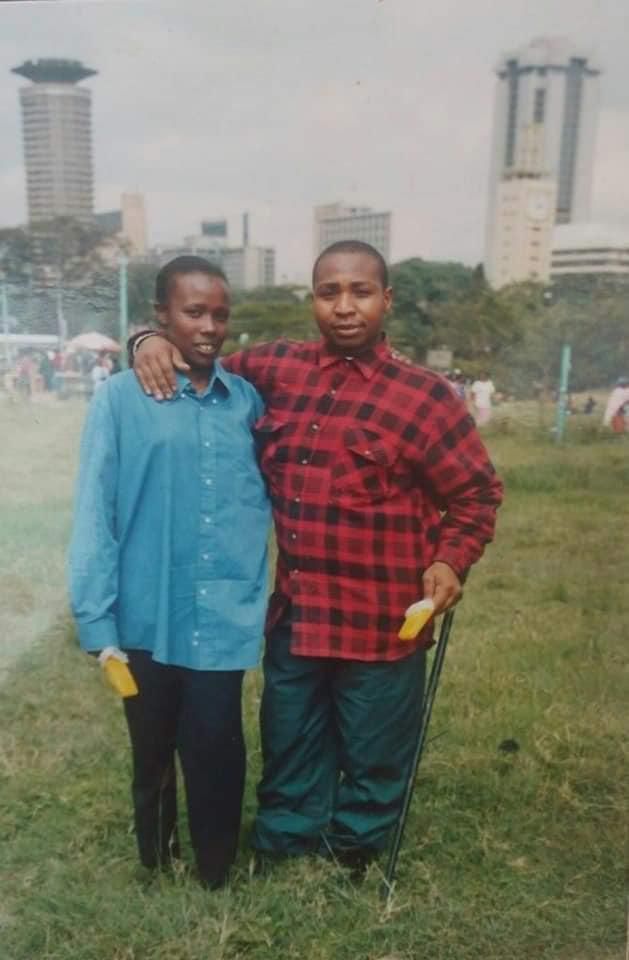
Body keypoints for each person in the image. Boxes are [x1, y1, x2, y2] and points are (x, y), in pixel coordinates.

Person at [131, 240, 503, 874]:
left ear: (386, 300)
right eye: (330, 293)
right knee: (289, 737)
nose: (345, 307)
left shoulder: (426, 397)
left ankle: (356, 850)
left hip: (385, 622)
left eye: (361, 292)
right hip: (298, 615)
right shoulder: (275, 370)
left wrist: (450, 560)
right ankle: (286, 842)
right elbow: (200, 355)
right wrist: (145, 340)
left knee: (375, 748)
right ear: (313, 301)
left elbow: (475, 494)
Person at [68, 256, 271, 888]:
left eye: (220, 314)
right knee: (150, 750)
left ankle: (216, 870)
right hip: (144, 614)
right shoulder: (121, 400)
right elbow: (95, 509)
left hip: (221, 614)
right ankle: (156, 862)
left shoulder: (246, 402)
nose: (209, 326)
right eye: (192, 312)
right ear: (160, 316)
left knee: (217, 745)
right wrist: (97, 620)